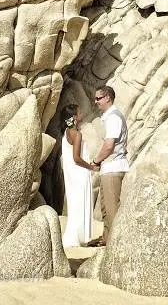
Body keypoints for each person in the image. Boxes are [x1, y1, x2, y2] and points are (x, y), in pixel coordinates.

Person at [93, 85, 129, 245]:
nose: (95, 102)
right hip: (110, 168)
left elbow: (109, 145)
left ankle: (115, 245)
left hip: (114, 168)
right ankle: (107, 240)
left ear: (108, 97)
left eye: (98, 98)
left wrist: (96, 161)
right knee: (106, 209)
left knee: (112, 209)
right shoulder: (110, 117)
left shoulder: (113, 117)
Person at [61, 104, 98, 248]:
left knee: (74, 203)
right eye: (79, 112)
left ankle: (78, 236)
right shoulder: (77, 134)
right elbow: (76, 158)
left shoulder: (66, 132)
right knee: (81, 202)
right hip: (79, 173)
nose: (81, 113)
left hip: (71, 175)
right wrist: (91, 167)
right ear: (74, 117)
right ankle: (81, 237)